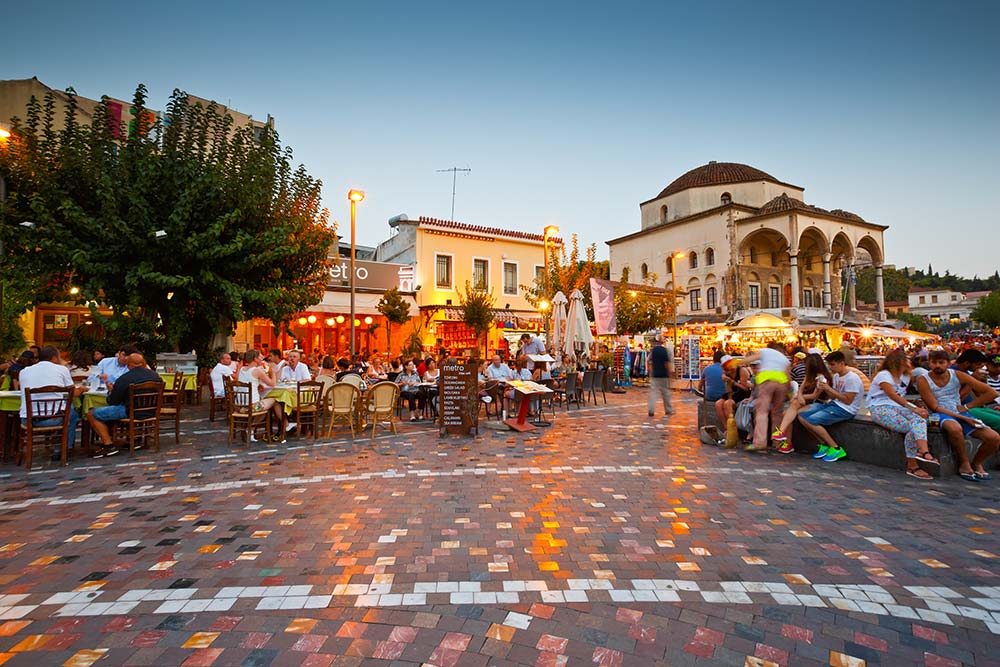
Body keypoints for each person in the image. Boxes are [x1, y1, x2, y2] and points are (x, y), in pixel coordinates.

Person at [917, 349, 999, 481]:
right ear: (929, 363)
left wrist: (967, 407)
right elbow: (934, 407)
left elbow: (992, 393)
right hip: (937, 415)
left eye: (941, 362)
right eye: (934, 362)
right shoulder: (923, 380)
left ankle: (977, 463)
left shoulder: (957, 375)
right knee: (955, 428)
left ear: (948, 363)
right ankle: (964, 463)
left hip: (958, 412)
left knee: (993, 437)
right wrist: (964, 417)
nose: (937, 365)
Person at [866, 349, 937, 479]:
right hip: (880, 407)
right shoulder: (884, 375)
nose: (909, 362)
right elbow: (891, 394)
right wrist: (913, 408)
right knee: (913, 426)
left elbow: (900, 396)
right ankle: (920, 457)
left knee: (919, 421)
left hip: (898, 407)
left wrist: (916, 405)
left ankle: (920, 455)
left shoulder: (906, 376)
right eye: (906, 360)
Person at [87, 353, 162, 457]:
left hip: (130, 412)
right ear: (143, 363)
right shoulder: (155, 376)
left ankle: (108, 444)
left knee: (92, 414)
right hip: (151, 411)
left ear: (128, 365)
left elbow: (113, 402)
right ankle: (133, 439)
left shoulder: (125, 379)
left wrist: (111, 391)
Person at [19, 346, 85, 459]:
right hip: (53, 420)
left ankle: (16, 451)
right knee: (72, 412)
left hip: (27, 420)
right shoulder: (61, 369)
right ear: (54, 358)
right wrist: (83, 389)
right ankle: (63, 449)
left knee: (66, 411)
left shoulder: (24, 371)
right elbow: (73, 392)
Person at [796, 350, 863, 461]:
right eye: (829, 364)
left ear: (841, 363)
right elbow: (833, 397)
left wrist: (828, 388)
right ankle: (824, 444)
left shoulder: (852, 378)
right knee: (802, 415)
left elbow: (848, 401)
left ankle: (835, 448)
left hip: (846, 409)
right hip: (834, 404)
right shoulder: (836, 376)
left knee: (812, 420)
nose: (830, 367)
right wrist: (824, 388)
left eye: (832, 364)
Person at [772, 353, 833, 453]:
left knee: (793, 407)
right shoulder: (809, 376)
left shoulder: (822, 378)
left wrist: (799, 398)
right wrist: (799, 396)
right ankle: (786, 440)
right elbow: (801, 388)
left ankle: (782, 434)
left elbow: (815, 396)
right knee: (787, 412)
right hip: (805, 400)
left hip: (819, 402)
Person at [743, 342, 790, 451]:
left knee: (761, 411)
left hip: (767, 381)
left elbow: (751, 358)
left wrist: (738, 362)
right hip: (782, 383)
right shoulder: (785, 359)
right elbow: (788, 376)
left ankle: (760, 442)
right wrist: (788, 392)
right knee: (777, 413)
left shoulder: (765, 351)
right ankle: (776, 442)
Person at [238, 349, 288, 441]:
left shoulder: (241, 369)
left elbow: (247, 383)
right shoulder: (257, 371)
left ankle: (250, 430)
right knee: (275, 399)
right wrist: (271, 371)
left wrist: (258, 385)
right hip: (251, 407)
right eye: (260, 357)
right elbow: (272, 383)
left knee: (265, 408)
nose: (262, 359)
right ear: (255, 359)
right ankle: (285, 424)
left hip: (239, 406)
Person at [646, 336, 673, 418]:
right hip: (663, 375)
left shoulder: (653, 351)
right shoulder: (665, 351)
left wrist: (649, 370)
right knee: (665, 393)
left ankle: (651, 410)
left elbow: (648, 360)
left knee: (653, 393)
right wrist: (670, 374)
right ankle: (668, 410)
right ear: (662, 342)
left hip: (655, 375)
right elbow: (667, 364)